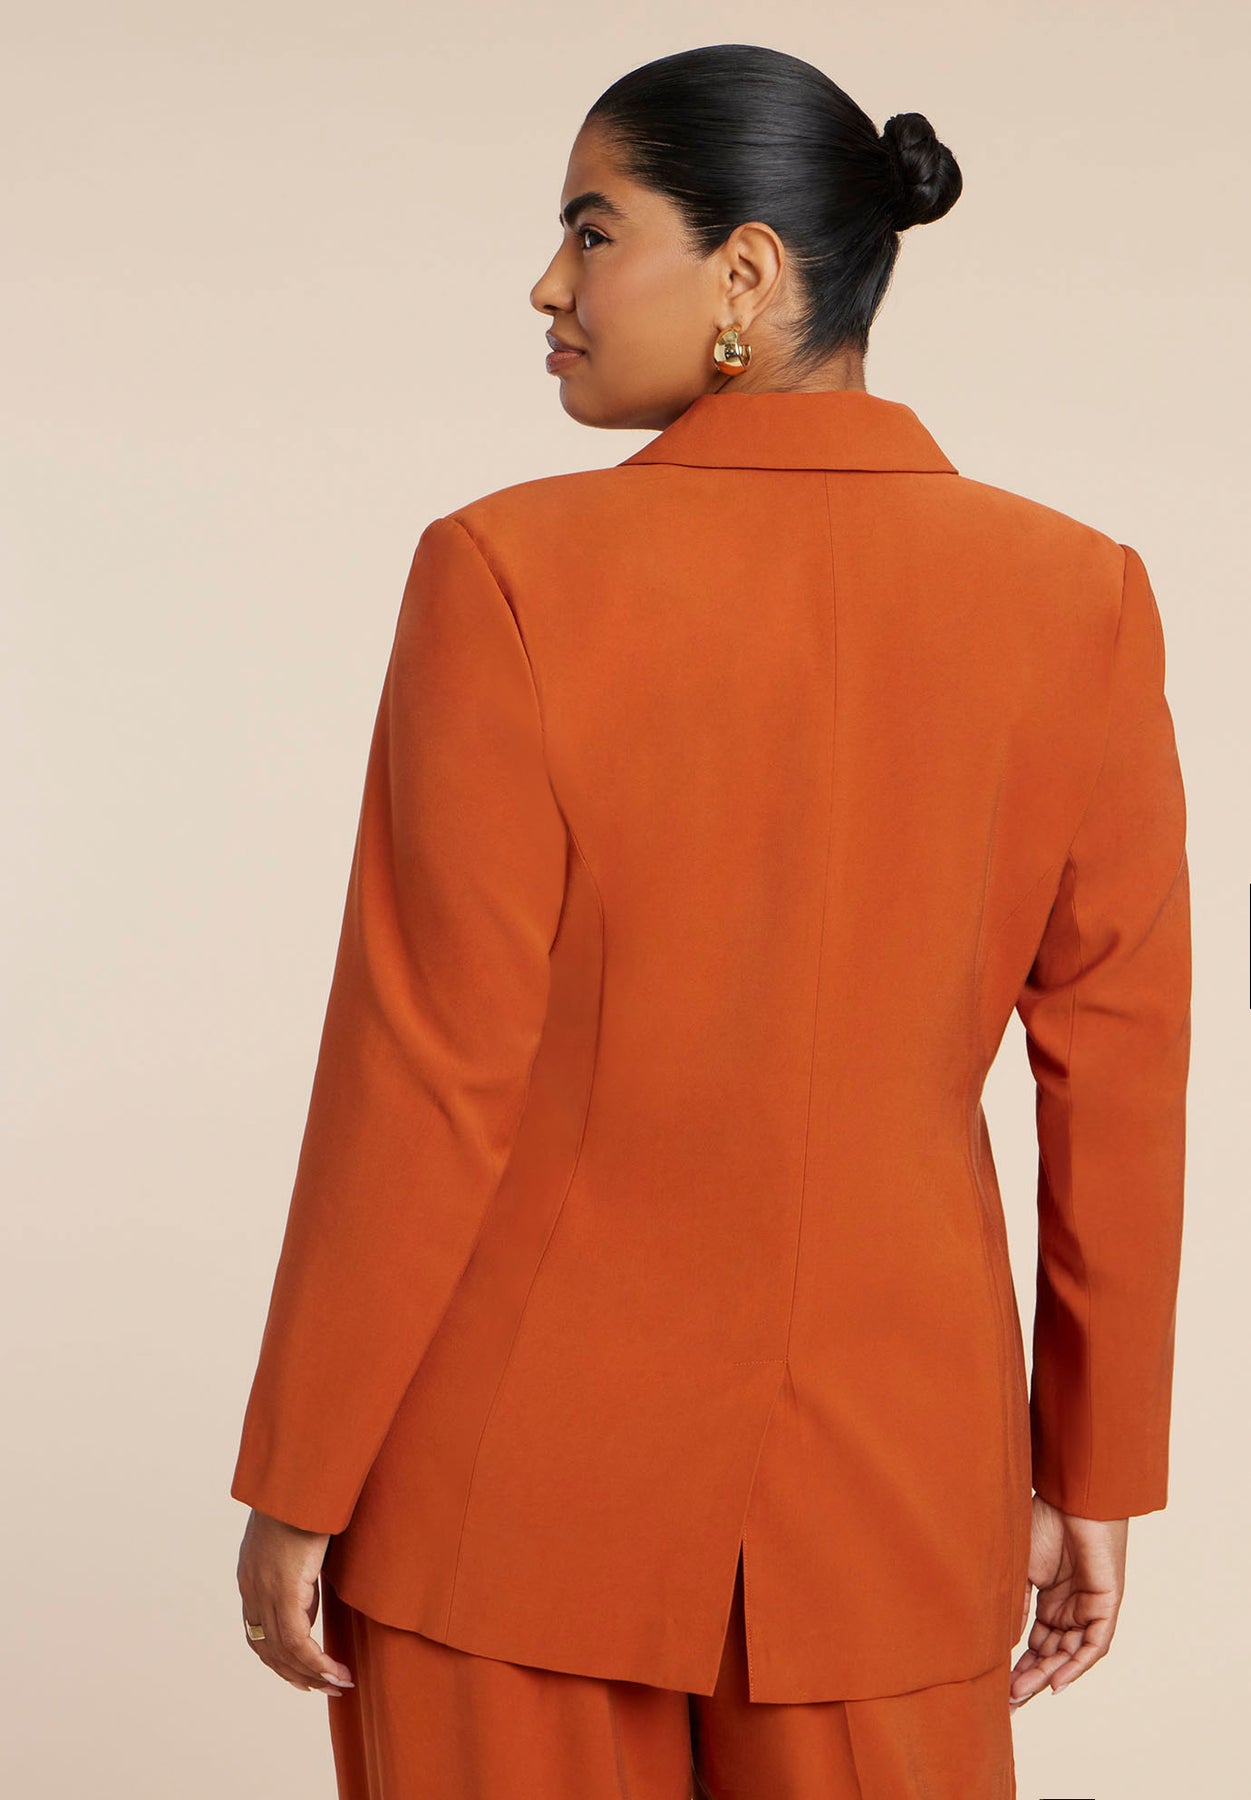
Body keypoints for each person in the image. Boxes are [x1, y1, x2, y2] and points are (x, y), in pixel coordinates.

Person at [230, 43, 1190, 1800]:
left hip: (504, 1493)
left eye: (593, 232)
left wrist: (303, 1470)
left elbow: (430, 1071)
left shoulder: (506, 573)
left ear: (745, 271)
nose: (550, 285)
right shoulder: (1084, 599)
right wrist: (1095, 1465)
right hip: (895, 1490)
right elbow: (1121, 1076)